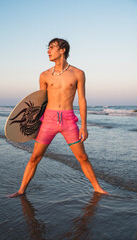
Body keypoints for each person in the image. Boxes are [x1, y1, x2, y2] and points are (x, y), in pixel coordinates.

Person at [8, 38, 108, 198]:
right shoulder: (44, 75)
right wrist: (34, 126)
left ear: (62, 50)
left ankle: (98, 188)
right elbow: (40, 101)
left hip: (69, 120)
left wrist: (84, 126)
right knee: (35, 157)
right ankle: (21, 190)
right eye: (48, 48)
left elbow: (82, 100)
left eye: (51, 48)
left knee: (82, 157)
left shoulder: (78, 73)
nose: (48, 51)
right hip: (48, 120)